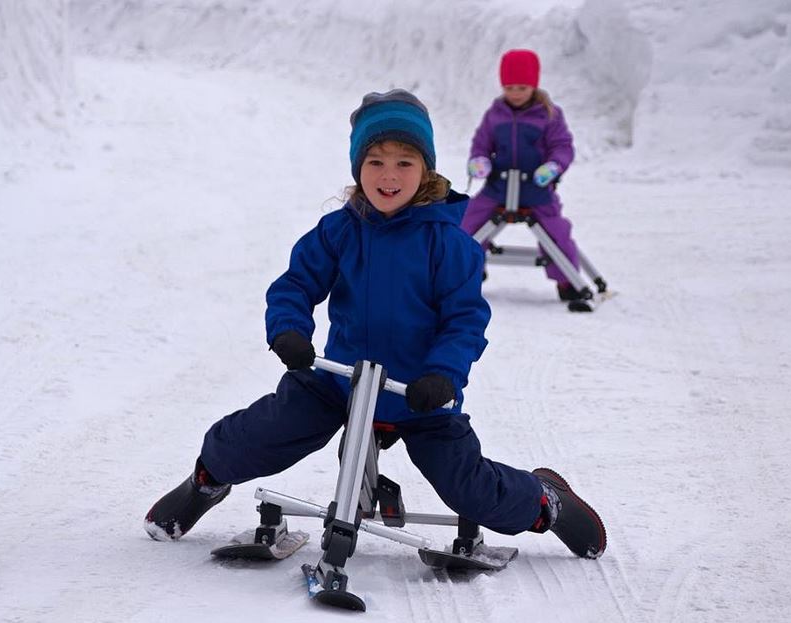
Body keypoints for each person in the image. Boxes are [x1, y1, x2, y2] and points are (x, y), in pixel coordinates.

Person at [144, 89, 606, 559]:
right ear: (357, 169)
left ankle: (545, 502)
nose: (389, 175)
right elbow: (295, 284)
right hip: (341, 380)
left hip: (419, 391)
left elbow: (464, 319)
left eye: (405, 162)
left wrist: (443, 374)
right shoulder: (339, 230)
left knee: (469, 487)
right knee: (259, 434)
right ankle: (205, 483)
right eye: (376, 161)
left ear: (425, 169)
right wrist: (289, 329)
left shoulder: (448, 242)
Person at [461, 49, 583, 301]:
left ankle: (567, 281)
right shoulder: (495, 114)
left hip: (536, 188)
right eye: (510, 88)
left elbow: (562, 146)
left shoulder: (548, 114)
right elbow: (481, 143)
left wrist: (553, 167)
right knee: (467, 223)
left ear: (533, 85)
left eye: (522, 88)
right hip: (499, 187)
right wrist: (479, 161)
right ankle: (467, 274)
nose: (515, 94)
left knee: (557, 231)